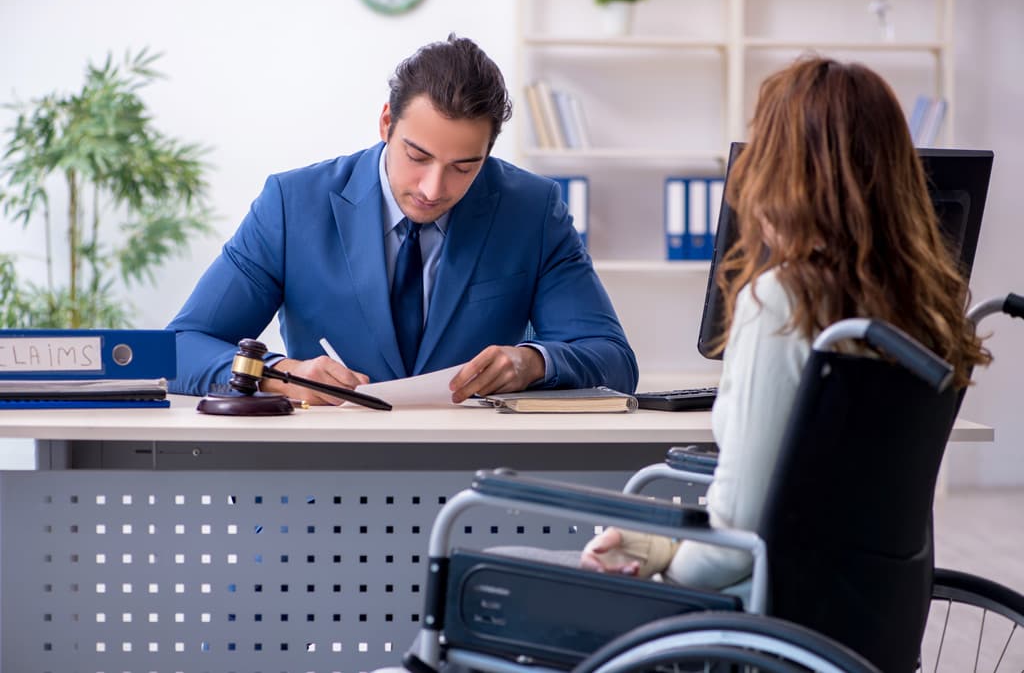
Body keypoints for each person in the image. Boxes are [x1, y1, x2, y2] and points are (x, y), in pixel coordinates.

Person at [579, 55, 990, 591]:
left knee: (504, 563)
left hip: (757, 614)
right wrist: (658, 544)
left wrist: (658, 562)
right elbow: (811, 507)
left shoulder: (785, 302)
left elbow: (733, 547)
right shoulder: (927, 309)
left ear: (779, 171)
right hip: (865, 612)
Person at [166, 35, 638, 403]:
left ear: (489, 153)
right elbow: (179, 348)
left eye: (463, 167)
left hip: (477, 487)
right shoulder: (292, 204)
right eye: (417, 155)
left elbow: (613, 360)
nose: (433, 189)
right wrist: (277, 373)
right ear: (386, 122)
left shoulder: (532, 211)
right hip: (316, 483)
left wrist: (533, 362)